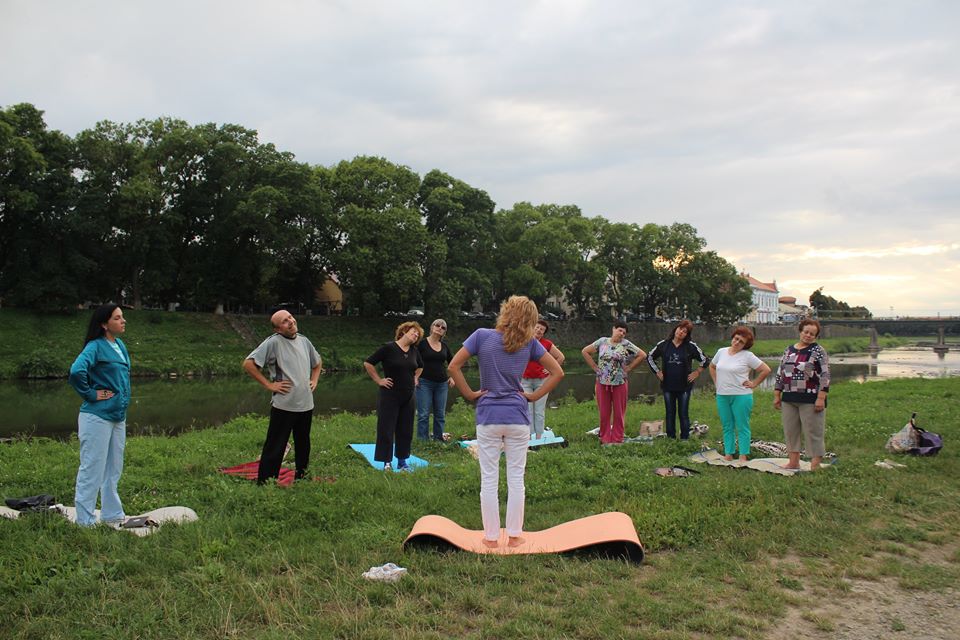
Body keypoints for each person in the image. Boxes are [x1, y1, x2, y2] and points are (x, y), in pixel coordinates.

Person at [448, 296, 563, 548]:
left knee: (488, 478)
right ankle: (514, 536)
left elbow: (454, 366)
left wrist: (469, 394)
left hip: (488, 416)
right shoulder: (530, 343)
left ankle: (490, 539)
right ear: (531, 321)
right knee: (516, 477)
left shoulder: (481, 336)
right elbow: (558, 372)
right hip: (517, 417)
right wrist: (533, 396)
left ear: (505, 312)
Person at [68, 304, 131, 526]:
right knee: (92, 468)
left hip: (117, 416)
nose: (123, 321)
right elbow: (76, 371)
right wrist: (91, 394)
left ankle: (111, 514)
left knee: (113, 468)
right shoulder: (95, 346)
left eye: (122, 317)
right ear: (104, 324)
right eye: (117, 318)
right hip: (97, 417)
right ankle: (84, 521)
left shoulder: (120, 345)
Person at [243, 310, 322, 483]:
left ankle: (302, 476)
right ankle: (266, 482)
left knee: (303, 444)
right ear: (278, 329)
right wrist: (269, 385)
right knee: (275, 446)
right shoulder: (273, 343)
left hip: (306, 404)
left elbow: (317, 363)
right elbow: (249, 364)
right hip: (284, 405)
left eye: (290, 318)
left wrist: (314, 380)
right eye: (285, 321)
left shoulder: (304, 341)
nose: (291, 322)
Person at [364, 321, 424, 471]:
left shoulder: (414, 351)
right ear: (404, 331)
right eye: (413, 332)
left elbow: (420, 366)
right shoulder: (388, 348)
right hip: (390, 395)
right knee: (387, 428)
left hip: (409, 395)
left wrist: (415, 378)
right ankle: (386, 462)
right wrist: (379, 380)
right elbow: (368, 363)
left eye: (418, 334)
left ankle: (402, 461)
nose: (416, 335)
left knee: (405, 429)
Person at [773, 319, 831, 470]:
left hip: (811, 398)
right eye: (806, 332)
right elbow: (780, 373)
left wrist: (821, 397)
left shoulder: (818, 351)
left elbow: (825, 375)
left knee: (813, 431)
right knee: (791, 431)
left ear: (816, 336)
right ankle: (793, 462)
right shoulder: (789, 350)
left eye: (812, 334)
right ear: (800, 331)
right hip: (789, 398)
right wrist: (777, 394)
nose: (808, 335)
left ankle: (815, 464)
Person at [709, 327, 771, 461]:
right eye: (736, 338)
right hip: (722, 395)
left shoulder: (747, 356)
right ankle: (728, 454)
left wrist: (754, 383)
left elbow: (765, 370)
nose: (737, 342)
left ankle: (743, 455)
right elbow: (712, 366)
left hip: (741, 396)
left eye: (741, 342)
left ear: (745, 345)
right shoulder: (721, 352)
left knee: (742, 425)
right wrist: (716, 382)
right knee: (727, 425)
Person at [581, 321, 646, 445]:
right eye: (620, 330)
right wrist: (594, 367)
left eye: (624, 332)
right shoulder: (602, 342)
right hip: (602, 382)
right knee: (604, 412)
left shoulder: (626, 344)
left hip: (620, 382)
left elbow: (642, 355)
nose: (621, 334)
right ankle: (605, 437)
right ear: (613, 329)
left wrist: (630, 367)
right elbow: (585, 351)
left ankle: (617, 438)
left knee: (619, 411)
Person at [646, 320, 711, 440]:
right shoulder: (664, 345)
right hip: (667, 385)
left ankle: (684, 438)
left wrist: (697, 372)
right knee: (670, 413)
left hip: (684, 386)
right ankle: (671, 438)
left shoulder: (690, 347)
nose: (681, 332)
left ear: (687, 335)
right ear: (676, 329)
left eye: (685, 331)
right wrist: (657, 371)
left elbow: (705, 360)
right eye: (680, 329)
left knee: (683, 413)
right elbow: (649, 357)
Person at [520, 319, 566, 439]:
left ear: (544, 333)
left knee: (539, 410)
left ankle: (539, 437)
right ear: (532, 328)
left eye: (542, 329)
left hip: (542, 381)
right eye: (537, 327)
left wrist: (551, 369)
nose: (539, 330)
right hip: (525, 381)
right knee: (527, 409)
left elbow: (560, 357)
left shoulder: (546, 344)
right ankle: (529, 436)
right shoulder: (524, 341)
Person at [416, 318, 454, 441]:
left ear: (444, 332)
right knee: (423, 414)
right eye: (438, 325)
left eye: (443, 328)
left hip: (442, 384)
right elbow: (413, 361)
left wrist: (452, 377)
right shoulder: (421, 344)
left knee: (440, 414)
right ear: (432, 327)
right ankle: (423, 441)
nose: (440, 328)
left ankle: (438, 440)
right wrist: (414, 377)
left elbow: (452, 363)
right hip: (424, 382)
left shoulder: (444, 346)